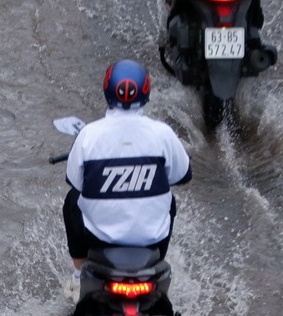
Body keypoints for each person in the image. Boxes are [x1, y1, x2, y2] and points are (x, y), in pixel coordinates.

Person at [63, 59, 191, 270]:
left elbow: (75, 181)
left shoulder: (88, 135)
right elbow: (182, 175)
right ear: (146, 92)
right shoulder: (163, 134)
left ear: (107, 90)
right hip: (154, 243)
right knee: (170, 201)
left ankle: (78, 274)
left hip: (99, 241)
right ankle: (158, 262)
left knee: (72, 199)